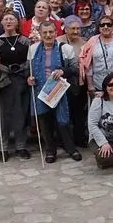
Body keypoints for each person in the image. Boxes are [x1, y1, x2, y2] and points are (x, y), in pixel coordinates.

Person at [28, 20, 83, 163]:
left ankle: (71, 149)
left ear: (56, 32)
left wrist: (63, 71)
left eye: (51, 32)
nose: (48, 35)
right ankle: (50, 151)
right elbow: (28, 70)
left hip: (60, 91)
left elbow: (75, 69)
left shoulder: (65, 49)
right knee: (45, 122)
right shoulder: (33, 49)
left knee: (63, 123)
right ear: (40, 34)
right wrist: (29, 78)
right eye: (45, 32)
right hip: (41, 91)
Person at [0, 11, 32, 160]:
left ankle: (21, 146)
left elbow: (31, 60)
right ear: (1, 22)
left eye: (12, 19)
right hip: (2, 82)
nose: (8, 21)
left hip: (21, 81)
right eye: (5, 19)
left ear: (17, 22)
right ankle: (3, 148)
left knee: (21, 114)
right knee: (2, 116)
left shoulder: (25, 41)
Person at [81, 15, 113, 97]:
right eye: (102, 25)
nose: (105, 27)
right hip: (98, 84)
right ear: (99, 27)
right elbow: (89, 64)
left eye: (108, 24)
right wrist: (90, 85)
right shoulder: (92, 41)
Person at [58, 16, 88, 147]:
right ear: (66, 29)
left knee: (79, 112)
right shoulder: (58, 41)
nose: (76, 31)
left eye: (78, 28)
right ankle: (64, 141)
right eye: (72, 28)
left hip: (79, 82)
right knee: (65, 112)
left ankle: (79, 138)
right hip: (62, 82)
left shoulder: (84, 42)